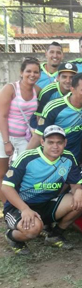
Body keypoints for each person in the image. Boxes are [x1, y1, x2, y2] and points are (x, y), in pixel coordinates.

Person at [2, 125, 82, 254]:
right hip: (20, 206)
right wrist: (25, 209)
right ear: (42, 142)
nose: (55, 146)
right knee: (32, 231)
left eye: (59, 142)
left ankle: (54, 234)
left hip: (47, 204)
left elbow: (76, 184)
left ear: (65, 143)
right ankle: (12, 237)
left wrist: (79, 190)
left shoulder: (68, 158)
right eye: (51, 142)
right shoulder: (27, 158)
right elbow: (6, 187)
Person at [29, 73, 82, 162]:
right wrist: (23, 159)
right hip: (54, 155)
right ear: (72, 89)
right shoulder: (54, 107)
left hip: (76, 155)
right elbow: (38, 136)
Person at [0, 58, 40, 203]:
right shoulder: (10, 89)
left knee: (21, 173)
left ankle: (18, 203)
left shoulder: (37, 90)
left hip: (25, 138)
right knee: (2, 173)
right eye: (28, 71)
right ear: (21, 72)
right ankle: (7, 206)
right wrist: (6, 142)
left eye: (36, 72)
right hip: (4, 136)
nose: (32, 74)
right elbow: (2, 116)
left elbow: (38, 116)